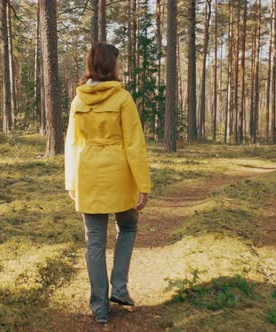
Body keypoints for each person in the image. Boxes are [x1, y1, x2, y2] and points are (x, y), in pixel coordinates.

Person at [64, 43, 152, 324]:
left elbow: (71, 145)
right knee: (127, 226)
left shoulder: (78, 100)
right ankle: (121, 288)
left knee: (95, 241)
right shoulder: (122, 99)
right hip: (120, 174)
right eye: (118, 62)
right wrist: (143, 184)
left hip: (88, 174)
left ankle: (99, 308)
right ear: (110, 65)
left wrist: (71, 182)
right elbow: (134, 145)